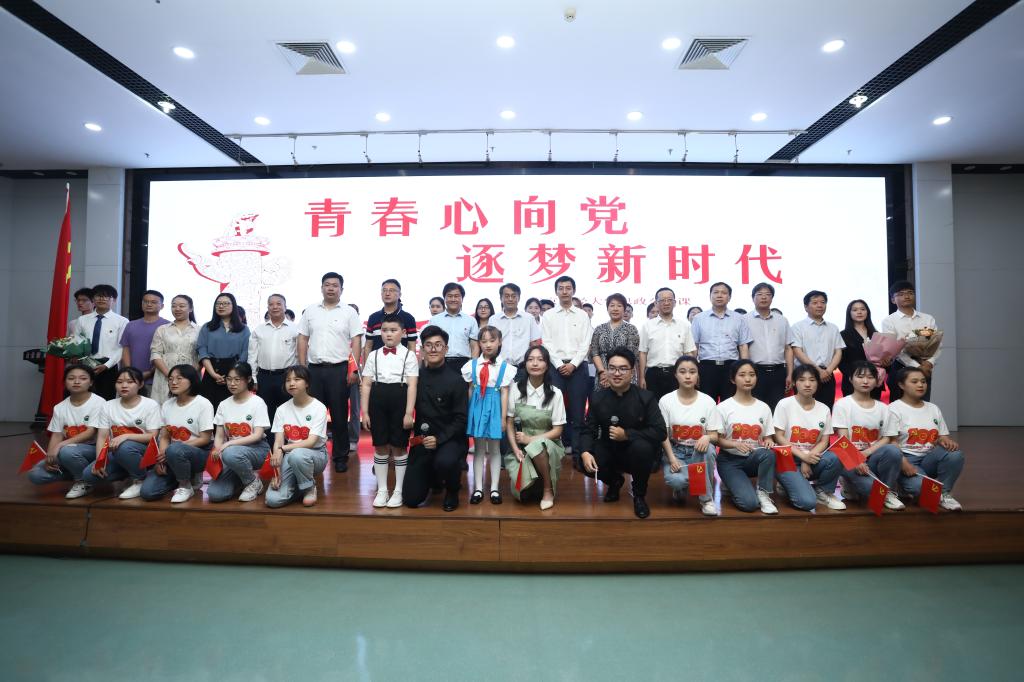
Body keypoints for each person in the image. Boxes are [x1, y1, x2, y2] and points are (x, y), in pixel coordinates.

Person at [580, 348, 666, 518]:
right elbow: (588, 429)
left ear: (632, 371)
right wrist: (585, 452)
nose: (617, 373)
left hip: (636, 451)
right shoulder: (597, 398)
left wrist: (627, 434)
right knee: (581, 457)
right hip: (610, 449)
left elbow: (660, 432)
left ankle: (639, 496)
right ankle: (614, 482)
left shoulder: (645, 397)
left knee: (642, 448)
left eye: (623, 369)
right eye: (612, 368)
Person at [297, 271, 363, 473]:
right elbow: (302, 338)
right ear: (322, 288)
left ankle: (340, 456)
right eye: (327, 284)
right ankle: (311, 454)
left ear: (341, 289)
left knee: (339, 415)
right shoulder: (310, 311)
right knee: (312, 415)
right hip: (314, 370)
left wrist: (354, 370)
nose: (331, 288)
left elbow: (356, 341)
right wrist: (302, 367)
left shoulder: (349, 312)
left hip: (339, 370)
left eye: (335, 285)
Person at [402, 326, 469, 511]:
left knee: (445, 461)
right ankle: (434, 479)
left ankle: (453, 489)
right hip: (421, 441)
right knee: (411, 499)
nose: (433, 349)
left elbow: (461, 419)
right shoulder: (415, 378)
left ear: (446, 349)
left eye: (438, 345)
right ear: (422, 349)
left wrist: (439, 439)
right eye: (428, 345)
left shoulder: (456, 380)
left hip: (449, 439)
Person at [361, 314, 419, 508]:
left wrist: (409, 413)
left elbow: (412, 385)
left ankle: (399, 490)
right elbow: (366, 384)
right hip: (377, 400)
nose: (388, 334)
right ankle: (382, 490)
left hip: (400, 399)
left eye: (393, 330)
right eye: (385, 330)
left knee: (399, 446)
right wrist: (365, 412)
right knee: (380, 445)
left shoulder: (409, 355)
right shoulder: (373, 355)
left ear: (403, 333)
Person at [80, 367, 162, 500]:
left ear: (141, 384)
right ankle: (129, 472)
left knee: (124, 447)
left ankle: (139, 479)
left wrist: (125, 436)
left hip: (144, 451)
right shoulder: (108, 406)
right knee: (89, 476)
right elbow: (102, 437)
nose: (124, 385)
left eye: (130, 382)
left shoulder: (150, 405)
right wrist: (100, 461)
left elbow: (152, 436)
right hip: (117, 452)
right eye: (119, 382)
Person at [889, 367, 964, 510]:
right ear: (901, 385)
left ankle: (944, 494)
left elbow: (942, 435)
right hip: (907, 460)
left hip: (929, 458)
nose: (920, 385)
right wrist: (903, 462)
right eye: (914, 381)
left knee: (955, 455)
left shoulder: (933, 408)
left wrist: (945, 440)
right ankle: (905, 485)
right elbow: (890, 441)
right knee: (920, 487)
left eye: (923, 381)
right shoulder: (894, 409)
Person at [772, 364, 845, 511]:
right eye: (802, 380)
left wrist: (808, 458)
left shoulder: (824, 409)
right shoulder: (784, 404)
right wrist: (803, 456)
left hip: (812, 458)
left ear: (818, 383)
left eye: (812, 380)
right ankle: (788, 484)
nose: (807, 384)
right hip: (787, 459)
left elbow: (824, 441)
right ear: (794, 383)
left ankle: (822, 491)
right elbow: (778, 436)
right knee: (807, 502)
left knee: (836, 456)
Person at [833, 361, 905, 510]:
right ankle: (851, 483)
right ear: (850, 379)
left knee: (893, 450)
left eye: (870, 377)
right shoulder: (842, 404)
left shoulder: (883, 408)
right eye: (860, 377)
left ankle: (887, 492)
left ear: (877, 381)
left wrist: (866, 453)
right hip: (849, 458)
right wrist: (857, 459)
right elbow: (843, 440)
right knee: (871, 490)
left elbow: (887, 437)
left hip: (872, 457)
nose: (865, 381)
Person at [27, 364, 106, 499]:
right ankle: (78, 473)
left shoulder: (99, 402)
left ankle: (84, 481)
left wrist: (60, 446)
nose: (76, 381)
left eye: (82, 378)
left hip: (94, 450)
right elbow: (57, 434)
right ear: (64, 382)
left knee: (67, 451)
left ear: (91, 382)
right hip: (70, 452)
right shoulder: (60, 407)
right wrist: (50, 456)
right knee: (35, 474)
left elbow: (90, 432)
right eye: (71, 378)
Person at [140, 364, 214, 503]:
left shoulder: (203, 404)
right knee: (147, 492)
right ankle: (183, 477)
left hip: (200, 452)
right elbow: (165, 436)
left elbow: (205, 439)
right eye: (170, 379)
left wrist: (172, 450)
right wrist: (161, 458)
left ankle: (185, 485)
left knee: (175, 449)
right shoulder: (167, 404)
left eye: (179, 378)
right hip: (173, 454)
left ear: (192, 380)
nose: (173, 382)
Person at [505, 346, 565, 510]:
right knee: (522, 496)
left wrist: (530, 439)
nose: (535, 363)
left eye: (540, 359)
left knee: (537, 445)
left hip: (548, 445)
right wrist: (515, 449)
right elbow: (509, 422)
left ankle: (548, 489)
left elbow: (558, 431)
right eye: (530, 359)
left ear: (547, 365)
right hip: (521, 446)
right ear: (525, 364)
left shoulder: (555, 393)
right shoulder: (516, 389)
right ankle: (535, 483)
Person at [715, 360, 778, 514]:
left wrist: (769, 441)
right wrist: (734, 444)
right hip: (730, 461)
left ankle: (764, 493)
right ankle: (731, 483)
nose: (748, 379)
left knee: (768, 454)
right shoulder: (723, 407)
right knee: (749, 504)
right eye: (742, 375)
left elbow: (769, 437)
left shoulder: (763, 407)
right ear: (733, 379)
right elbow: (717, 439)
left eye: (752, 375)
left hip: (754, 458)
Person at [541, 276, 594, 459]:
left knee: (578, 413)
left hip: (578, 368)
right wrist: (559, 364)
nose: (564, 291)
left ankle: (579, 454)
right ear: (556, 291)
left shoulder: (582, 315)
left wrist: (573, 364)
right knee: (553, 411)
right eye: (561, 288)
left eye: (568, 288)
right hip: (555, 368)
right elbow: (547, 343)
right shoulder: (548, 315)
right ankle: (553, 452)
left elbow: (586, 343)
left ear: (573, 291)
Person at [659, 356, 719, 516]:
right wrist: (672, 458)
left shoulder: (708, 401)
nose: (687, 376)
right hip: (675, 450)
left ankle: (706, 500)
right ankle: (683, 486)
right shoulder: (666, 401)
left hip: (699, 451)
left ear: (698, 375)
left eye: (692, 372)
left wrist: (707, 437)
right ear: (675, 374)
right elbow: (663, 435)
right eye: (682, 372)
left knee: (709, 449)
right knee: (676, 481)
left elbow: (715, 435)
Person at [206, 362, 271, 503]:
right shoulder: (223, 404)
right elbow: (219, 435)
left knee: (230, 453)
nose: (232, 384)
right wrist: (217, 448)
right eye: (229, 379)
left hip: (258, 449)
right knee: (215, 494)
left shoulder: (257, 402)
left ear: (248, 379)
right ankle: (242, 477)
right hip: (233, 454)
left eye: (237, 379)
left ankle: (253, 482)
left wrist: (228, 445)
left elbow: (257, 435)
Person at [266, 365, 330, 508]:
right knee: (272, 500)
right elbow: (278, 441)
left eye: (297, 379)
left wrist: (282, 449)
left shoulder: (318, 407)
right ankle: (299, 487)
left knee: (297, 455)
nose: (292, 383)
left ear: (307, 383)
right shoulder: (281, 409)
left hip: (316, 454)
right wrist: (277, 470)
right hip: (290, 454)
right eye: (288, 380)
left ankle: (309, 488)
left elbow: (311, 442)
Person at [463, 326, 514, 504]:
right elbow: (470, 390)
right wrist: (469, 413)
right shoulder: (472, 365)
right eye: (484, 341)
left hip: (495, 407)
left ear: (499, 342)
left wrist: (503, 418)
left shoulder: (505, 367)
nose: (488, 344)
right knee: (478, 449)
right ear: (479, 343)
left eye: (492, 340)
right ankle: (478, 488)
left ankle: (494, 489)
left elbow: (505, 393)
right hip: (477, 407)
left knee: (494, 449)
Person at [691, 282, 752, 403]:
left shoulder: (739, 318)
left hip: (731, 367)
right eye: (716, 292)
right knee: (706, 404)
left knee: (731, 404)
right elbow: (694, 347)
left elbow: (743, 346)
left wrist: (745, 371)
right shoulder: (699, 318)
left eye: (724, 293)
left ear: (729, 297)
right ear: (710, 296)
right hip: (706, 368)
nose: (719, 295)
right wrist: (694, 371)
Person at [882, 280, 941, 401]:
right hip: (901, 368)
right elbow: (895, 349)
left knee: (923, 404)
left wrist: (929, 363)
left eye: (910, 293)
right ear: (893, 300)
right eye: (901, 294)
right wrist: (917, 366)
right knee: (899, 407)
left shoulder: (927, 318)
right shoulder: (889, 321)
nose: (907, 296)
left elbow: (937, 343)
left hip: (925, 367)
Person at [248, 293, 298, 427]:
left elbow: (299, 356)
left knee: (288, 413)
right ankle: (268, 441)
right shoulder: (259, 330)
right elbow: (252, 356)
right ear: (267, 307)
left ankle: (287, 440)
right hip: (265, 377)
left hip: (287, 377)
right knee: (266, 415)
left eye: (278, 304)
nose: (275, 307)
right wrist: (254, 378)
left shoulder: (296, 329)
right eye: (271, 304)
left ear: (285, 307)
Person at [71, 284, 127, 400]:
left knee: (106, 400)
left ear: (114, 300)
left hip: (108, 367)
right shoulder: (82, 320)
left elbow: (121, 348)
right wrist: (76, 355)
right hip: (85, 365)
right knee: (84, 399)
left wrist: (106, 365)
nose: (102, 299)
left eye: (106, 296)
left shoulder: (122, 321)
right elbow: (76, 341)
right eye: (98, 296)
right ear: (93, 299)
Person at [638, 287, 696, 400]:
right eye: (662, 300)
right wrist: (641, 377)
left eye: (669, 300)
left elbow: (689, 353)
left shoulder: (684, 326)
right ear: (656, 303)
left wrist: (692, 374)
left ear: (675, 303)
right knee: (653, 407)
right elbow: (642, 353)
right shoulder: (647, 326)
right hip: (653, 374)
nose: (666, 303)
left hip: (677, 374)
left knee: (677, 405)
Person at [790, 290, 845, 409]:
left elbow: (838, 352)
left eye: (823, 302)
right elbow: (797, 351)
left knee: (826, 408)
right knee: (803, 409)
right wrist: (818, 371)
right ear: (806, 307)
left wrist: (828, 371)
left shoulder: (833, 328)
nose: (820, 305)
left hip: (827, 376)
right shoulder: (797, 327)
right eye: (815, 303)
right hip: (804, 374)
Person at [746, 282, 795, 412]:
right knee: (756, 409)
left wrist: (790, 374)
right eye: (759, 294)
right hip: (755, 372)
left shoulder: (782, 320)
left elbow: (788, 348)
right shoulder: (744, 320)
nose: (764, 297)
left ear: (772, 298)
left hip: (778, 372)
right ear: (753, 298)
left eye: (768, 294)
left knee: (777, 409)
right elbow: (743, 348)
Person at [197, 292, 250, 411]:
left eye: (226, 303)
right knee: (209, 408)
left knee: (232, 408)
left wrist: (233, 375)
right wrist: (213, 374)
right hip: (212, 370)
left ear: (233, 306)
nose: (221, 306)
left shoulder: (243, 329)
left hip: (235, 371)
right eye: (218, 304)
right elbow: (202, 351)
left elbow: (245, 352)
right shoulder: (207, 327)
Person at [149, 294, 199, 404]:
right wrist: (170, 375)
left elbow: (201, 356)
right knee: (163, 406)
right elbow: (155, 353)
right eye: (174, 306)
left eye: (182, 306)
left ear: (190, 308)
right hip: (165, 374)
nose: (177, 309)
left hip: (189, 375)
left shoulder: (199, 330)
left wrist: (190, 375)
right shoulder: (162, 329)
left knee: (187, 405)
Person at [119, 290, 169, 395]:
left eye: (153, 302)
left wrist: (150, 372)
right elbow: (126, 349)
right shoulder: (131, 325)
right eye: (146, 301)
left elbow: (167, 353)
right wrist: (130, 372)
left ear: (162, 306)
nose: (149, 304)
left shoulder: (167, 326)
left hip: (157, 378)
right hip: (131, 380)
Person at [491, 282, 542, 381]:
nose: (510, 299)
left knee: (522, 391)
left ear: (519, 298)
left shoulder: (529, 318)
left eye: (513, 296)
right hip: (499, 367)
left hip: (522, 368)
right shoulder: (494, 319)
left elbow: (535, 344)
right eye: (507, 296)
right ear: (501, 298)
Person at [590, 293, 640, 390]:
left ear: (624, 309)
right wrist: (603, 373)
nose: (615, 309)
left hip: (624, 374)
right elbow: (594, 352)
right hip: (602, 376)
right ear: (607, 308)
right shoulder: (599, 329)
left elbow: (631, 354)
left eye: (619, 306)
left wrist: (615, 373)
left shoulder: (631, 329)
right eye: (612, 305)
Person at [430, 282, 479, 372]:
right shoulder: (435, 320)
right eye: (449, 296)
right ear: (444, 299)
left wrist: (473, 366)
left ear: (462, 299)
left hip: (464, 364)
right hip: (440, 362)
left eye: (456, 296)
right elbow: (429, 344)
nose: (453, 299)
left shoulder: (471, 320)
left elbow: (474, 347)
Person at [838, 299, 882, 398]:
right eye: (855, 310)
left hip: (873, 381)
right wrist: (854, 376)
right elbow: (841, 362)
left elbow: (882, 359)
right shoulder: (843, 335)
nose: (859, 312)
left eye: (862, 309)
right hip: (852, 382)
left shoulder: (876, 334)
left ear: (867, 312)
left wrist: (886, 362)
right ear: (849, 313)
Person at [364, 279, 418, 355]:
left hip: (401, 361)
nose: (387, 293)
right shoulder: (373, 318)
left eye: (391, 290)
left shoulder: (408, 318)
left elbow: (412, 347)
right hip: (376, 361)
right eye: (384, 290)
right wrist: (367, 363)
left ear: (399, 294)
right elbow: (368, 346)